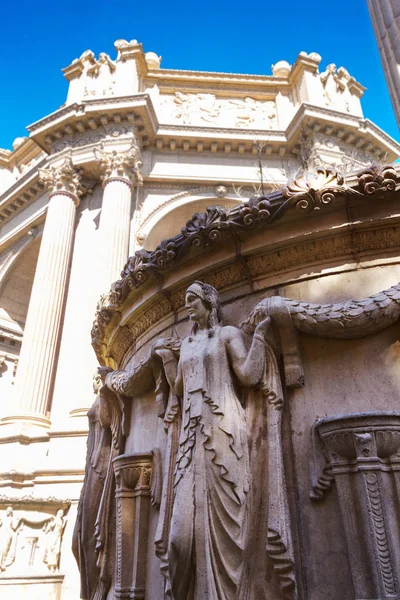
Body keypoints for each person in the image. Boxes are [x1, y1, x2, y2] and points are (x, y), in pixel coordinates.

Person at [153, 281, 271, 600]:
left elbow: (248, 375)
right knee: (179, 537)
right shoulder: (189, 345)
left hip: (224, 432)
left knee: (231, 525)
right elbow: (179, 386)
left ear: (209, 301)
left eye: (192, 299)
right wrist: (166, 358)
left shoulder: (228, 335)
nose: (187, 306)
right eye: (186, 300)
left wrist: (259, 336)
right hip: (191, 439)